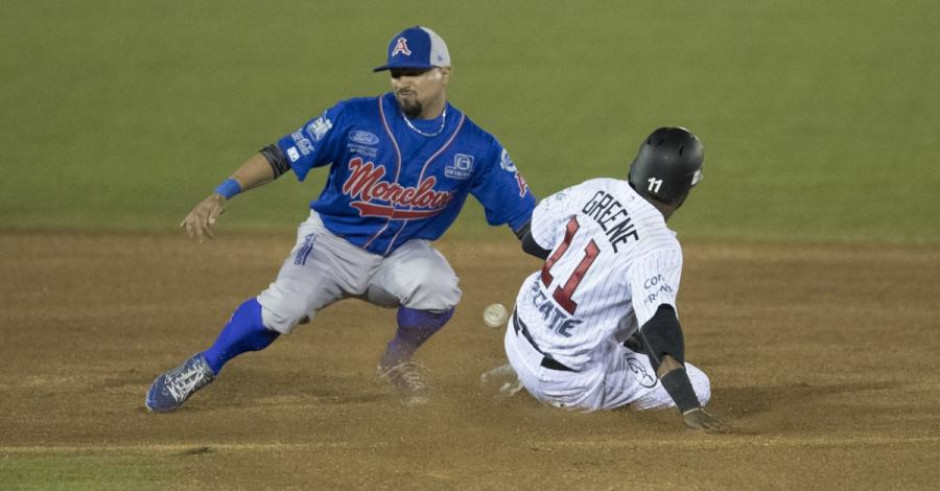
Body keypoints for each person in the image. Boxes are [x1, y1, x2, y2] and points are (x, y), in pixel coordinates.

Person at [146, 26, 538, 411]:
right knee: (281, 310)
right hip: (331, 244)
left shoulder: (477, 146)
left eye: (415, 72)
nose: (403, 81)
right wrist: (222, 192)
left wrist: (575, 254)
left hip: (401, 254)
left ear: (444, 73)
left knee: (438, 287)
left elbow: (527, 223)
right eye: (397, 73)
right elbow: (283, 155)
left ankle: (397, 359)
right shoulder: (354, 117)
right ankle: (204, 365)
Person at [499, 127, 725, 432]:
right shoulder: (659, 245)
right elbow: (660, 330)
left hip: (515, 339)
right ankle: (548, 390)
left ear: (637, 165)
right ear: (685, 190)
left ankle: (521, 369)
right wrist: (689, 405)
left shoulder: (597, 187)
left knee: (629, 326)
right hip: (564, 386)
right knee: (699, 383)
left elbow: (532, 240)